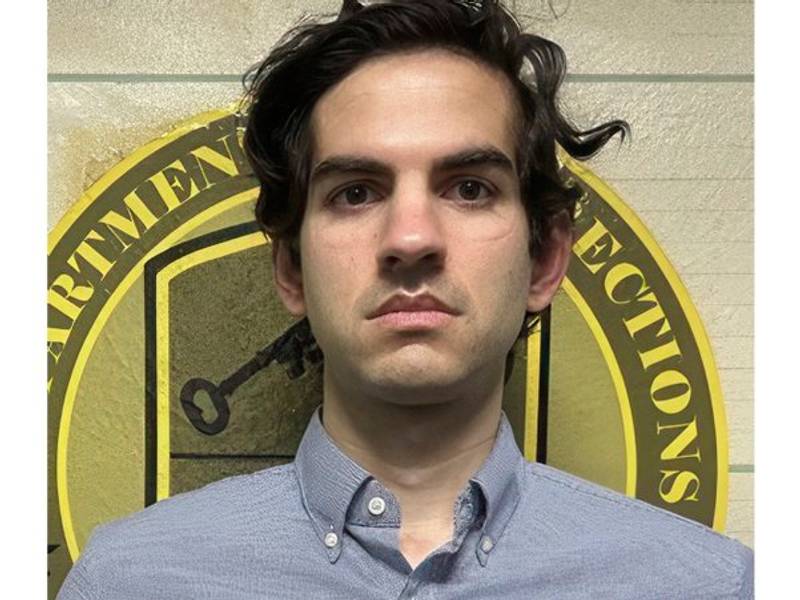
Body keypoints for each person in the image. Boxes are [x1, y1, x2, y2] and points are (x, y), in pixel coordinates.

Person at [57, 0, 754, 598]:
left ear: (545, 260)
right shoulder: (128, 582)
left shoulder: (706, 586)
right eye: (356, 192)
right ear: (291, 269)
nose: (411, 238)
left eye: (470, 188)